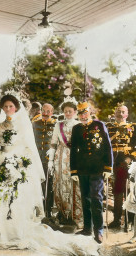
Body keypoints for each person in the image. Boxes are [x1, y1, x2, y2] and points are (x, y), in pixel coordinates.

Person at [0, 94, 100, 254]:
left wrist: (20, 163)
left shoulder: (23, 125)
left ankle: (16, 233)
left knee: (15, 200)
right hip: (1, 161)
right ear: (1, 108)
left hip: (17, 164)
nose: (8, 109)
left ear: (16, 108)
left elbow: (29, 148)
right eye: (5, 106)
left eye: (11, 106)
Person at [70, 101, 113, 244]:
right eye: (80, 113)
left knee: (96, 199)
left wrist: (108, 167)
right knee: (85, 199)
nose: (83, 115)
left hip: (97, 168)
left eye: (85, 112)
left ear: (90, 112)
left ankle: (98, 231)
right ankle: (87, 228)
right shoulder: (76, 129)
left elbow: (107, 146)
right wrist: (74, 170)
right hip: (82, 169)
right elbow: (73, 150)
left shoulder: (99, 125)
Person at [106, 103, 136, 229]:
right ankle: (116, 220)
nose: (120, 114)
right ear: (115, 113)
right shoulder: (108, 127)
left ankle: (129, 220)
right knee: (116, 191)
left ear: (127, 114)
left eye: (123, 112)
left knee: (129, 191)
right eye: (118, 111)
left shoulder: (133, 127)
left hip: (127, 163)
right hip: (112, 163)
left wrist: (129, 158)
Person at [47, 96, 83, 228]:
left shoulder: (79, 125)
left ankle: (75, 216)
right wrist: (51, 161)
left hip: (74, 158)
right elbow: (53, 143)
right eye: (65, 111)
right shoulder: (58, 125)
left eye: (70, 111)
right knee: (60, 185)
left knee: (74, 186)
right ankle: (63, 214)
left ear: (75, 112)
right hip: (60, 157)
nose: (67, 113)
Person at [32, 103, 56, 217]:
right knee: (36, 185)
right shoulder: (35, 124)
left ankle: (48, 210)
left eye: (48, 111)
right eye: (44, 111)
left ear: (52, 112)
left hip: (48, 160)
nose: (45, 113)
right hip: (36, 159)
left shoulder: (55, 125)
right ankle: (36, 210)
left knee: (48, 186)